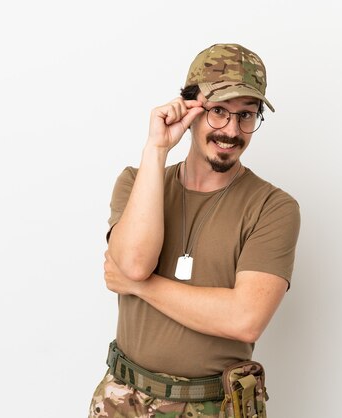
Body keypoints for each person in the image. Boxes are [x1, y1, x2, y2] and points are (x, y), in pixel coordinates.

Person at [89, 43, 301, 418]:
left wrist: (140, 287)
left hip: (210, 407)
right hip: (121, 400)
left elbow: (245, 319)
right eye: (218, 111)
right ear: (189, 108)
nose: (232, 131)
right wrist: (156, 149)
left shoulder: (273, 207)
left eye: (246, 116)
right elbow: (135, 262)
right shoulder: (137, 182)